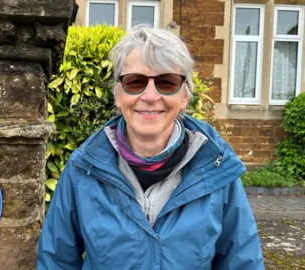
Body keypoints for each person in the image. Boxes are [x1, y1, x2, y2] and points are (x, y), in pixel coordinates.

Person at [37, 25, 264, 269]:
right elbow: (57, 261)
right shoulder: (83, 169)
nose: (150, 96)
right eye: (135, 82)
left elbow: (242, 262)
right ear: (118, 95)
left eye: (166, 82)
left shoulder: (216, 170)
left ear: (184, 96)